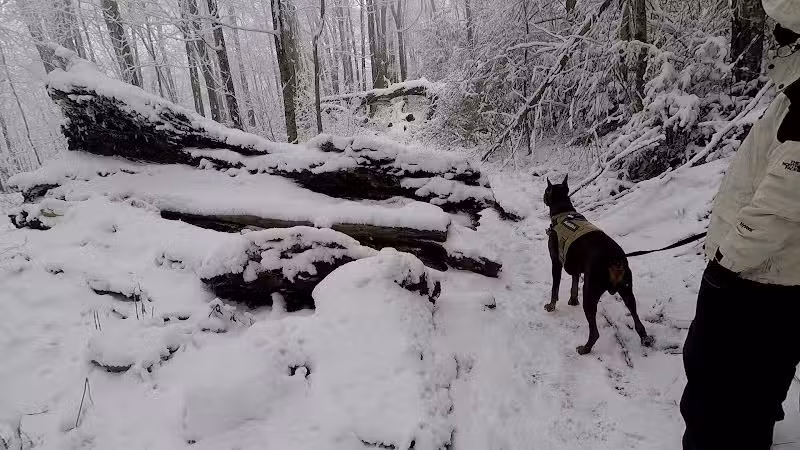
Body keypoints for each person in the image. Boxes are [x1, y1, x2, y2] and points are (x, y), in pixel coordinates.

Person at [680, 1, 800, 449]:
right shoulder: (793, 94)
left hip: (753, 285)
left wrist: (726, 266)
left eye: (783, 30)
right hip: (776, 282)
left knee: (718, 399)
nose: (775, 37)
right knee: (755, 394)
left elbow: (785, 203)